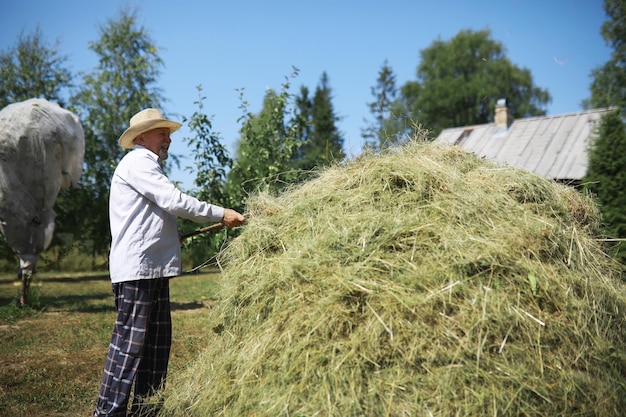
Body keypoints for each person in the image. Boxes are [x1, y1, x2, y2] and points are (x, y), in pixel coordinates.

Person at [93, 108, 246, 417]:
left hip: (152, 268)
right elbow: (174, 201)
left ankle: (146, 411)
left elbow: (154, 214)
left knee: (156, 346)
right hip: (138, 270)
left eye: (168, 132)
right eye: (161, 132)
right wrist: (221, 213)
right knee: (130, 345)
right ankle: (107, 412)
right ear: (140, 137)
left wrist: (170, 234)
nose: (168, 137)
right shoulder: (138, 162)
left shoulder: (149, 166)